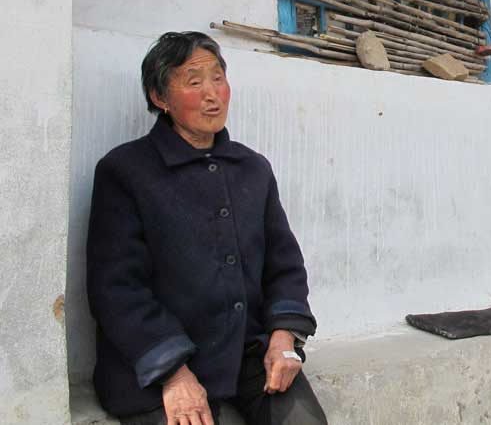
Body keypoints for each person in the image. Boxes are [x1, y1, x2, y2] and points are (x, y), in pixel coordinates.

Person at [87, 31, 328, 425]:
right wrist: (174, 373)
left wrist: (284, 337)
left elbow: (284, 265)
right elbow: (116, 288)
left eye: (218, 78)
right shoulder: (125, 172)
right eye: (194, 81)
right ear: (159, 98)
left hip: (247, 355)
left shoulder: (253, 169)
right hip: (159, 365)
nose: (212, 94)